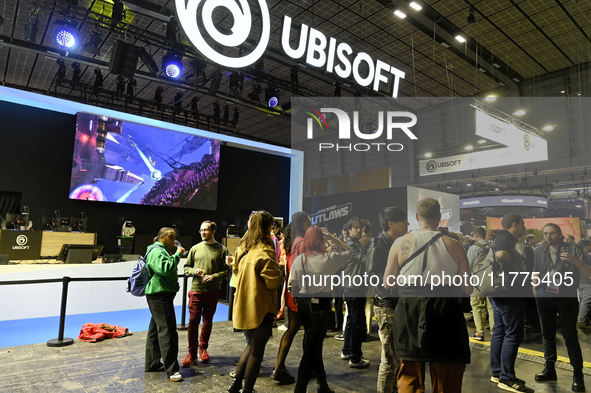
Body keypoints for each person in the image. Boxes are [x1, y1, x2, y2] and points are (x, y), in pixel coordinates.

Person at [384, 197, 472, 393]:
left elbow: (388, 282)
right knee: (446, 376)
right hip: (445, 313)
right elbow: (468, 288)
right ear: (439, 218)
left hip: (409, 311)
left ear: (417, 217)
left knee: (409, 375)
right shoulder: (454, 245)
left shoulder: (400, 243)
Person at [226, 211, 283, 393]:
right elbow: (272, 281)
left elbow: (235, 270)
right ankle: (247, 390)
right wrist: (282, 275)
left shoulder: (243, 247)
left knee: (251, 347)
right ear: (267, 227)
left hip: (243, 305)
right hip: (260, 308)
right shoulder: (265, 251)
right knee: (256, 353)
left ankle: (236, 386)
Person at [289, 225, 351, 393]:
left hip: (303, 303)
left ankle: (322, 384)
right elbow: (349, 251)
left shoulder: (300, 259)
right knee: (313, 347)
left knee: (314, 345)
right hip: (321, 304)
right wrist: (332, 236)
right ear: (322, 239)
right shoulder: (329, 258)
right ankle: (300, 388)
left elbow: (291, 285)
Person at [532, 223, 589, 392]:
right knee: (547, 333)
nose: (548, 237)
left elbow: (589, 271)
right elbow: (535, 270)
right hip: (544, 295)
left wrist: (574, 260)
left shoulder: (573, 248)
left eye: (552, 234)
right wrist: (535, 289)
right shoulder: (539, 249)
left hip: (566, 295)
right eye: (545, 234)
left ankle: (578, 374)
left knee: (570, 335)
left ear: (560, 234)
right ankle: (550, 368)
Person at [366, 207, 409, 393]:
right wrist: (397, 280)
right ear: (392, 224)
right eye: (404, 220)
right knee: (389, 359)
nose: (407, 223)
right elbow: (372, 276)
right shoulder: (378, 245)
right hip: (386, 305)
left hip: (395, 303)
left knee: (395, 357)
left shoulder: (397, 243)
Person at [489, 213, 533, 393]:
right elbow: (500, 254)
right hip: (508, 292)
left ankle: (497, 373)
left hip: (499, 291)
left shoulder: (501, 236)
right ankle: (506, 378)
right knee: (513, 334)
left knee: (500, 331)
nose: (524, 227)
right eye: (523, 224)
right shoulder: (506, 236)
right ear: (514, 225)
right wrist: (520, 261)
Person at [182, 221, 230, 367]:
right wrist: (193, 271)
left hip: (213, 291)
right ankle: (191, 353)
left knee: (207, 322)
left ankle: (202, 349)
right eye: (201, 230)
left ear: (213, 231)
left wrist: (213, 277)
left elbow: (227, 271)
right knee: (193, 322)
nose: (203, 233)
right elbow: (186, 268)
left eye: (206, 230)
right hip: (196, 290)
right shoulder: (195, 248)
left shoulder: (223, 250)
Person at [270, 212, 311, 385]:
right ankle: (308, 368)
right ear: (303, 224)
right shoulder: (302, 244)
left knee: (293, 329)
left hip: (291, 291)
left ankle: (279, 368)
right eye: (308, 222)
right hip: (302, 292)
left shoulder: (291, 243)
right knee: (309, 331)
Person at [144, 227, 186, 382]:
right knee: (168, 332)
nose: (173, 239)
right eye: (170, 236)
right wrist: (177, 255)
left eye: (174, 236)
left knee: (155, 330)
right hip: (159, 296)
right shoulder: (157, 251)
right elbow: (165, 269)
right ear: (161, 237)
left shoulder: (160, 250)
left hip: (160, 295)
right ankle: (172, 370)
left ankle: (153, 363)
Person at [341, 217, 370, 368]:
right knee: (357, 323)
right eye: (356, 228)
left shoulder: (353, 243)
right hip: (354, 287)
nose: (359, 230)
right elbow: (364, 260)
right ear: (349, 229)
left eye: (360, 227)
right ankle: (355, 359)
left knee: (352, 322)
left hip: (351, 286)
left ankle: (347, 351)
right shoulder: (351, 245)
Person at [467, 226, 494, 341]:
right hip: (491, 281)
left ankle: (480, 332)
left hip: (477, 282)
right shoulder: (492, 247)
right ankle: (494, 332)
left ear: (475, 235)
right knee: (491, 307)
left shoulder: (473, 249)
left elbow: (469, 266)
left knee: (476, 306)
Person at [577, 239, 591, 328]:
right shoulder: (587, 256)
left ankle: (583, 319)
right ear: (585, 246)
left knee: (582, 300)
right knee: (587, 300)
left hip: (580, 281)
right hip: (587, 281)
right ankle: (581, 321)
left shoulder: (577, 255)